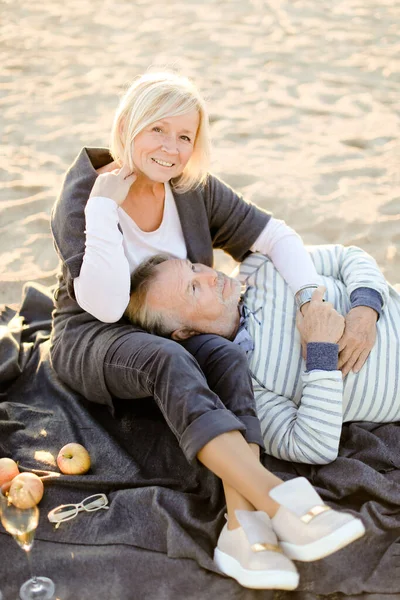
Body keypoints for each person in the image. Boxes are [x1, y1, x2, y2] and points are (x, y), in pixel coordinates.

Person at [49, 71, 363, 590]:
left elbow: (274, 235)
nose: (171, 149)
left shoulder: (190, 188)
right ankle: (281, 502)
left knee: (225, 355)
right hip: (95, 332)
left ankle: (243, 529)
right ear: (127, 125)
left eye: (185, 136)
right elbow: (105, 306)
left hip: (174, 327)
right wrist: (104, 205)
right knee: (169, 360)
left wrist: (311, 297)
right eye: (158, 130)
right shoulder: (85, 197)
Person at [124, 244, 400, 468]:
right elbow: (313, 446)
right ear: (183, 333)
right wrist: (321, 351)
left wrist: (365, 311)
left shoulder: (263, 268)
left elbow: (347, 257)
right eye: (194, 288)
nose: (210, 275)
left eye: (194, 267)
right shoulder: (244, 384)